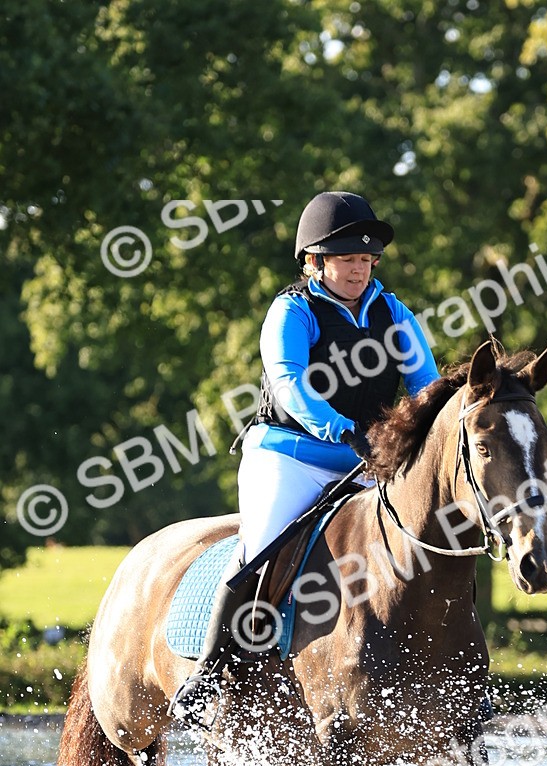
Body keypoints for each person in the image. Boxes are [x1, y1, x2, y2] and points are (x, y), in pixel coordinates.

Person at [170, 191, 440, 728]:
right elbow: (291, 383)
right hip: (291, 457)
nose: (359, 269)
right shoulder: (292, 310)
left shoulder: (394, 313)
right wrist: (341, 429)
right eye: (347, 259)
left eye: (366, 260)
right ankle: (210, 672)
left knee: (420, 538)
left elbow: (426, 386)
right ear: (315, 262)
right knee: (263, 544)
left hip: (367, 463)